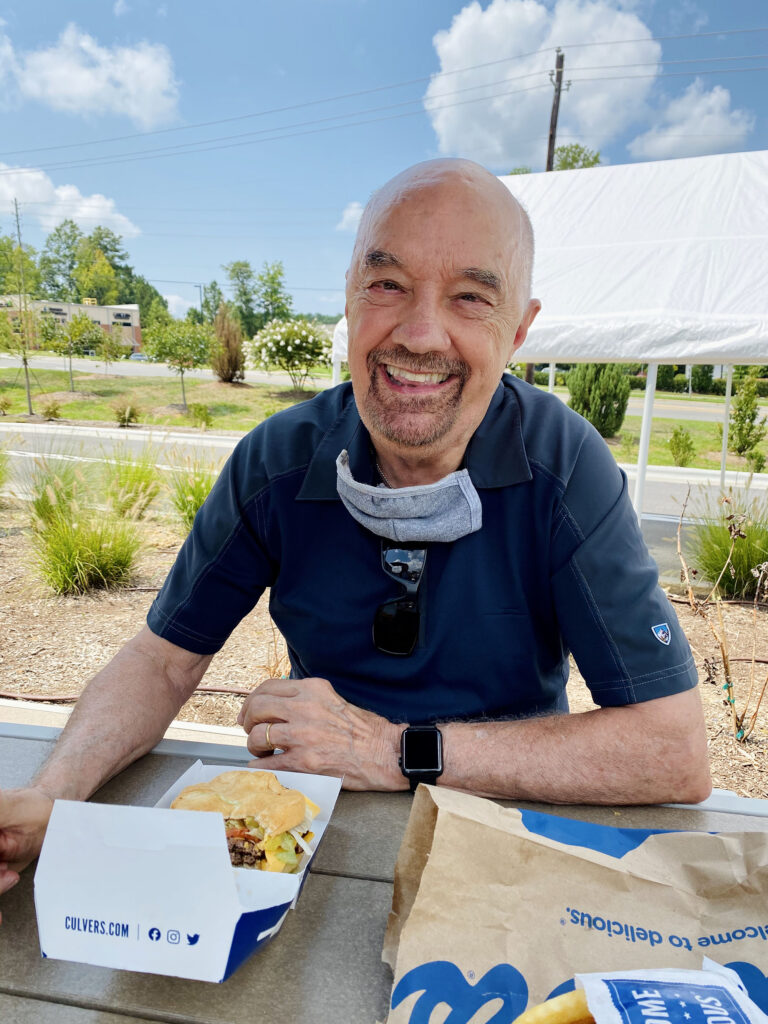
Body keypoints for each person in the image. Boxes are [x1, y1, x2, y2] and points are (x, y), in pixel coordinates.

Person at [0, 159, 711, 912]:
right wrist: (53, 797)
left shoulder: (565, 468)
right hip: (311, 842)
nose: (420, 332)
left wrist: (397, 751)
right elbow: (161, 662)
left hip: (505, 833)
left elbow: (672, 750)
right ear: (348, 296)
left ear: (520, 331)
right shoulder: (276, 463)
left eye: (471, 297)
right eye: (387, 284)